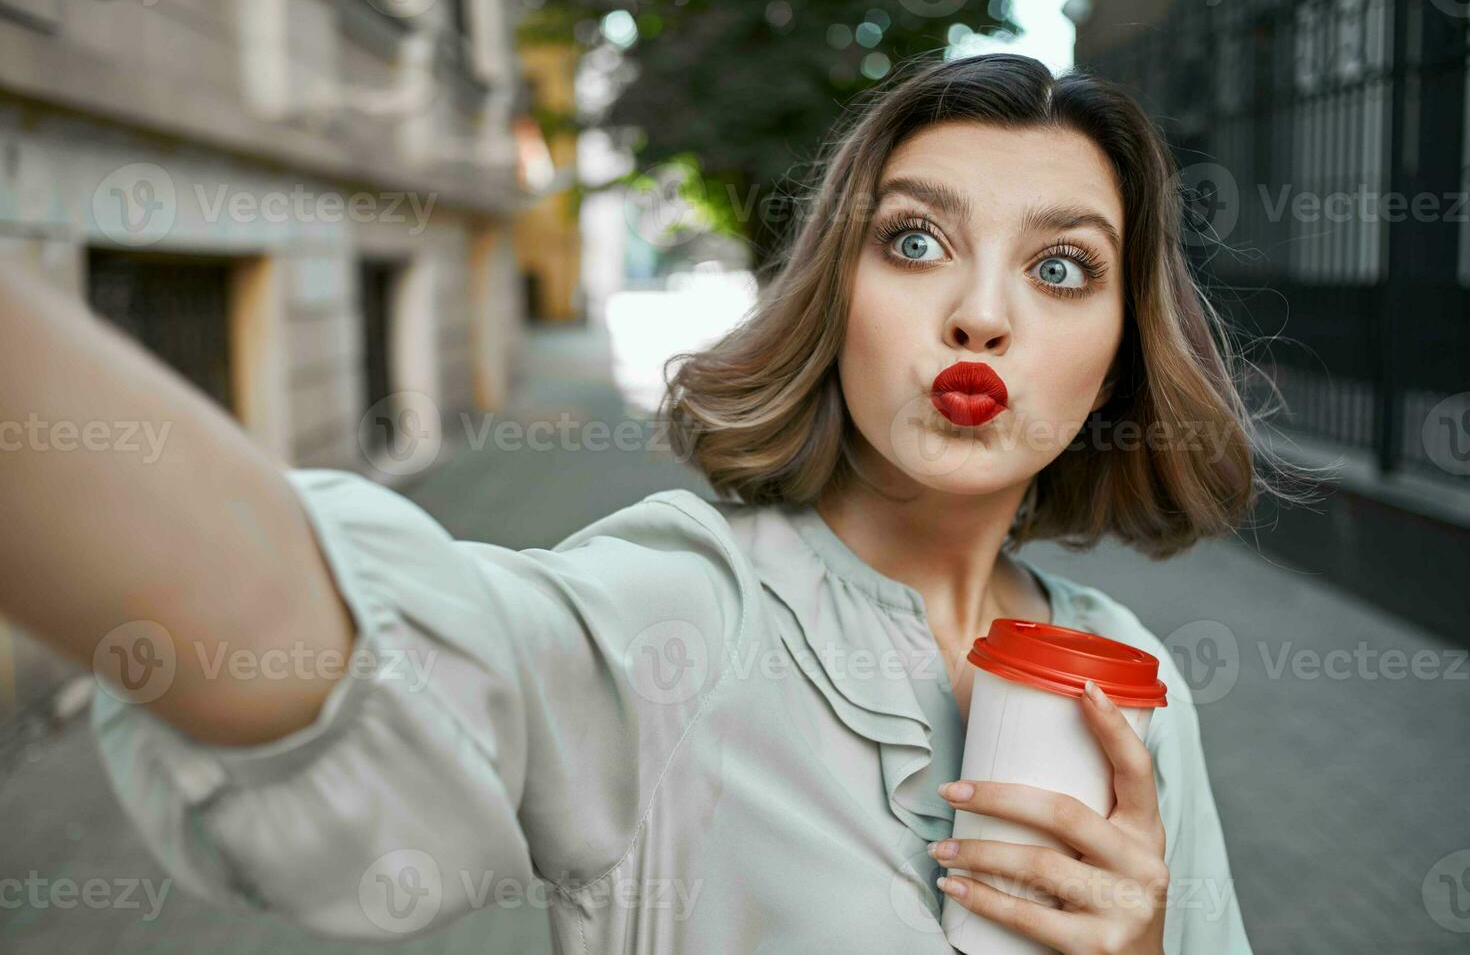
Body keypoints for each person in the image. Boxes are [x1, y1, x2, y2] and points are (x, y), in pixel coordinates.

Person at [0, 54, 1302, 952]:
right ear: (833, 298)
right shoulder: (689, 609)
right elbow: (314, 645)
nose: (981, 310)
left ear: (1119, 351)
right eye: (913, 240)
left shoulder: (1129, 675)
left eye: (1062, 266)